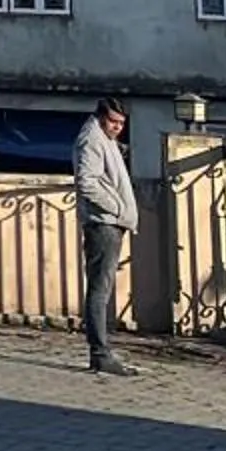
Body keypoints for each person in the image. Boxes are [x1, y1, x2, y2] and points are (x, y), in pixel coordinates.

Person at [73, 96, 140, 377]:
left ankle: (101, 352)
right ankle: (100, 353)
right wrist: (117, 208)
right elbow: (86, 182)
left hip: (110, 222)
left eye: (122, 123)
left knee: (102, 288)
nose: (117, 127)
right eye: (113, 121)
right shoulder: (91, 139)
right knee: (100, 290)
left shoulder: (105, 139)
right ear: (100, 117)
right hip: (103, 224)